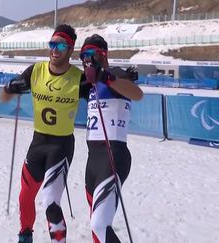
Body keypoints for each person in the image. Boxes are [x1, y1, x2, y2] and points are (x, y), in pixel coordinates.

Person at [0, 24, 83, 243]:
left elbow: (104, 95)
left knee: (50, 202)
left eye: (61, 45)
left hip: (62, 146)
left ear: (70, 49)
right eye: (52, 44)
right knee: (25, 197)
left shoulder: (79, 78)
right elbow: (4, 97)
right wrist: (9, 89)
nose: (55, 49)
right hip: (38, 143)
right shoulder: (35, 71)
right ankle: (25, 235)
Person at [78, 34, 143, 243]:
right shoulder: (89, 83)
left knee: (99, 223)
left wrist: (107, 78)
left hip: (113, 156)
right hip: (93, 161)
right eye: (83, 55)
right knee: (96, 223)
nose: (86, 58)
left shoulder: (114, 74)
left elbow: (137, 94)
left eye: (91, 53)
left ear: (103, 54)